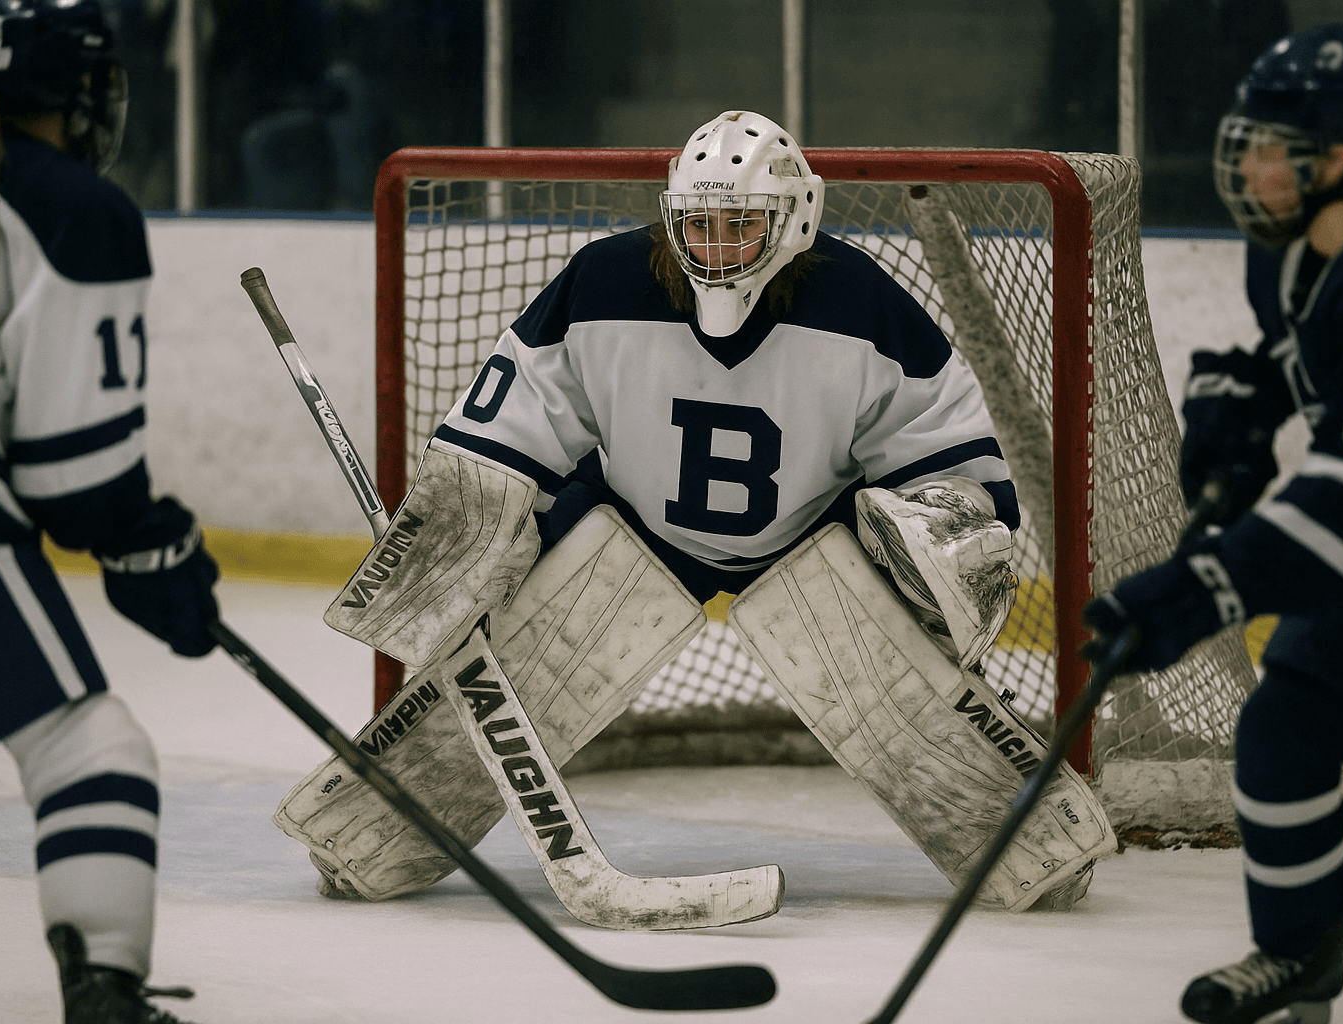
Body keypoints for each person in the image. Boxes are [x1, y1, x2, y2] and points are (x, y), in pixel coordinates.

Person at [279, 109, 1119, 917]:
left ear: (793, 222)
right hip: (632, 524)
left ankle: (1036, 840)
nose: (715, 248)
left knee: (945, 746)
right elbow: (510, 425)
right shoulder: (603, 281)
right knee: (499, 676)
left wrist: (939, 540)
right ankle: (372, 827)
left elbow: (953, 464)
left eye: (740, 225)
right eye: (699, 225)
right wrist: (464, 532)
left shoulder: (862, 302)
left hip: (810, 538)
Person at [1082, 25, 1343, 1024]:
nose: (1245, 159)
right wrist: (1252, 403)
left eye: (1271, 142)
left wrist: (1201, 586)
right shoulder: (1292, 261)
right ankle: (1300, 950)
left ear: (1339, 156)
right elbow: (1334, 386)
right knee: (1287, 727)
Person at [0, 2, 221, 1021]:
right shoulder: (71, 205)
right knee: (90, 752)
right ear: (84, 89)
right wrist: (153, 551)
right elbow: (77, 482)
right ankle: (104, 986)